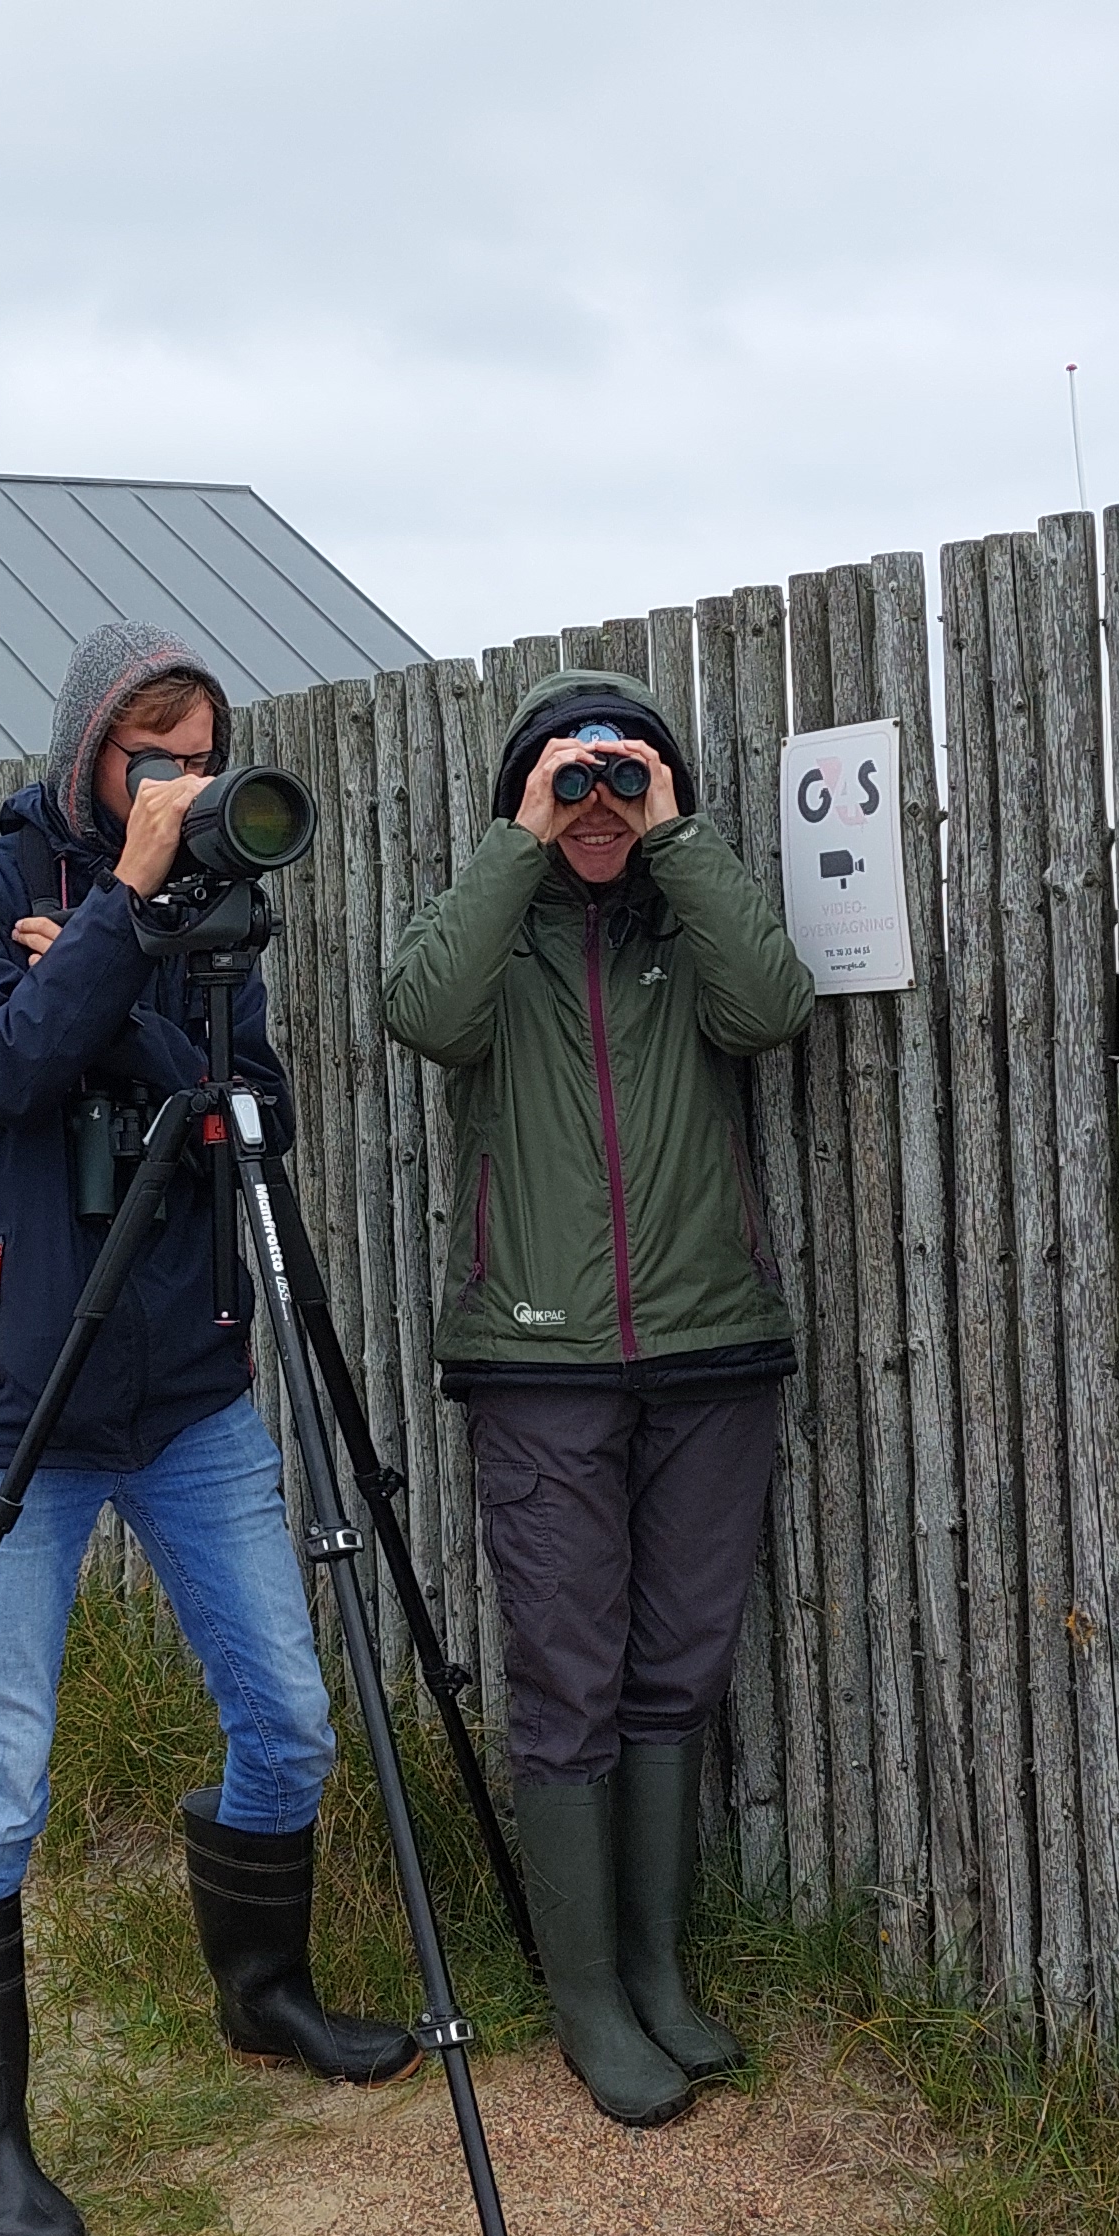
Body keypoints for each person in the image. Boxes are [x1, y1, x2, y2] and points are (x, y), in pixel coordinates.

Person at [0, 617, 419, 2236]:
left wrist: (116, 971)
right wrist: (110, 923)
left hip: (187, 1395)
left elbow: (246, 1119)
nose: (184, 783)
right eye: (154, 753)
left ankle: (261, 1996)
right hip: (12, 1412)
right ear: (89, 755)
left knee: (292, 1718)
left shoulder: (214, 924)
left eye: (201, 752)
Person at [379, 669, 816, 2126]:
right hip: (540, 1357)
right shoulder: (491, 946)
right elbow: (423, 1013)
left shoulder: (689, 933)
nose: (599, 808)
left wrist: (677, 840)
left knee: (677, 1668)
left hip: (709, 1346)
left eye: (624, 782)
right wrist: (520, 842)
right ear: (523, 796)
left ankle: (654, 1974)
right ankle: (586, 2001)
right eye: (571, 783)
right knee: (568, 1672)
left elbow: (774, 1006)